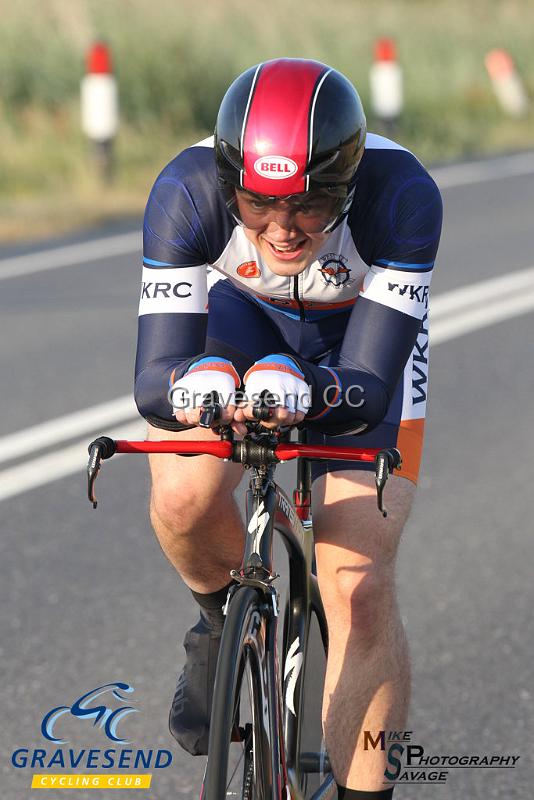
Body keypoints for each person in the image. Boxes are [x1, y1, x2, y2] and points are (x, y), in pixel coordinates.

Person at [134, 57, 442, 799]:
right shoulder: (186, 193)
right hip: (236, 328)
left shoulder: (402, 197)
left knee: (358, 583)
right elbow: (153, 382)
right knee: (182, 499)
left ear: (349, 182)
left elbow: (368, 392)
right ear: (227, 176)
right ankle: (219, 621)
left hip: (356, 350)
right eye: (256, 202)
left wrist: (310, 390)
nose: (281, 229)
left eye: (309, 205)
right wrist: (193, 388)